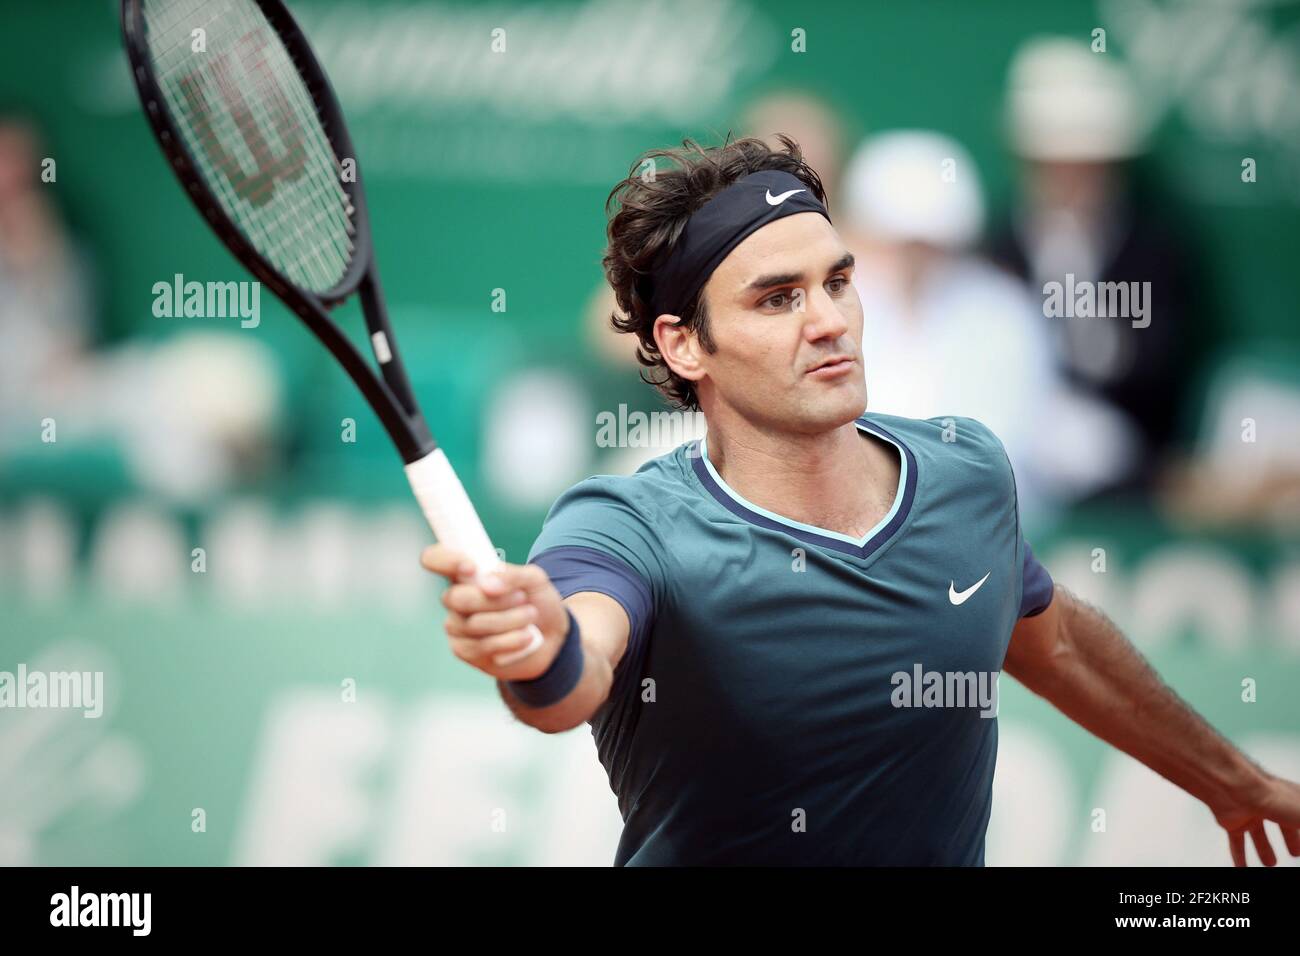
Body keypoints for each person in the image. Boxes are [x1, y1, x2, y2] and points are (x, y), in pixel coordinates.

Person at [421, 136, 1300, 866]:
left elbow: (1057, 642)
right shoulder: (623, 526)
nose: (830, 320)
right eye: (778, 300)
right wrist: (535, 647)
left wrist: (1236, 783)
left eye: (838, 281)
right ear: (684, 346)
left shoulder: (965, 472)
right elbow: (570, 676)